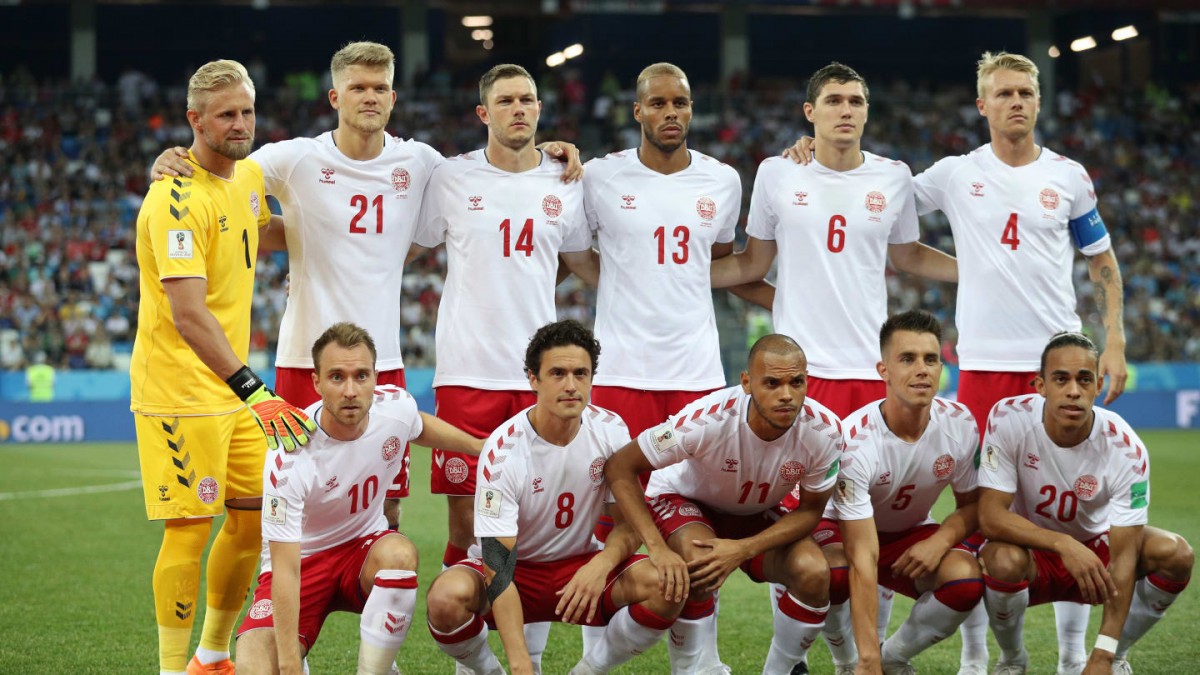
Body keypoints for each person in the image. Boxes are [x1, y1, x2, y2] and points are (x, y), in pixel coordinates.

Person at [150, 42, 582, 530]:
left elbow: (493, 170)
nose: (369, 97)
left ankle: (383, 580)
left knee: (386, 507)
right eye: (357, 88)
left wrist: (549, 152)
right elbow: (220, 173)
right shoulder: (293, 158)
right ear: (335, 97)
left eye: (380, 88)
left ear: (393, 98)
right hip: (304, 360)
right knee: (291, 505)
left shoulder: (422, 163)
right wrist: (172, 160)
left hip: (383, 364)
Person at [713, 62, 957, 672]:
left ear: (867, 111)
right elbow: (752, 264)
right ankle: (800, 659)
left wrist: (985, 269)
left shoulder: (893, 177)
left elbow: (907, 255)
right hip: (801, 376)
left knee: (867, 524)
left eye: (855, 101)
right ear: (810, 111)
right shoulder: (777, 173)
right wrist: (666, 271)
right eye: (833, 100)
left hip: (872, 376)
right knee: (799, 525)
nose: (845, 109)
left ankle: (864, 656)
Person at [569, 61, 774, 671]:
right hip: (622, 371)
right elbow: (579, 254)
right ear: (637, 110)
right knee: (608, 511)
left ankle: (696, 658)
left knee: (695, 514)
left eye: (680, 103)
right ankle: (595, 643)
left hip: (695, 374)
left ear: (691, 108)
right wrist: (624, 285)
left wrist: (790, 298)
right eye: (657, 103)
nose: (670, 113)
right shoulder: (599, 177)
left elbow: (717, 264)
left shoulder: (722, 180)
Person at [130, 60, 315, 675]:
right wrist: (254, 390)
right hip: (180, 389)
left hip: (233, 390)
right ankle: (170, 669)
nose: (240, 124)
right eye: (226, 114)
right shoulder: (173, 198)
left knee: (253, 519)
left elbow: (260, 231)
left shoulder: (249, 178)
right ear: (195, 121)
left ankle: (211, 657)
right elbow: (188, 314)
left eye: (247, 112)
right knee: (189, 528)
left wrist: (346, 236)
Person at [412, 63, 594, 579]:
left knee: (537, 514)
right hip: (467, 371)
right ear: (483, 113)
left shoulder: (566, 179)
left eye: (526, 99)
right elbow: (408, 247)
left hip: (537, 375)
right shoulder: (451, 177)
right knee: (465, 523)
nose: (518, 109)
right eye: (506, 100)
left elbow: (576, 262)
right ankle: (462, 627)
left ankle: (525, 625)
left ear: (540, 108)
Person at [425, 320, 683, 675]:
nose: (571, 385)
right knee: (444, 599)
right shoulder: (503, 452)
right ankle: (491, 672)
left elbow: (628, 524)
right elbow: (498, 570)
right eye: (558, 373)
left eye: (581, 374)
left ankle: (589, 671)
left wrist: (602, 563)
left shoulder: (611, 430)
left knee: (667, 587)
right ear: (533, 379)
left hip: (579, 566)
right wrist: (521, 666)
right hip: (515, 574)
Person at [235, 322, 484, 675]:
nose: (351, 391)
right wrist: (289, 664)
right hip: (302, 563)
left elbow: (418, 425)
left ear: (375, 378)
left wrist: (477, 446)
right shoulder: (288, 456)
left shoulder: (394, 406)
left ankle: (376, 671)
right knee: (255, 669)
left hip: (362, 552)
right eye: (337, 377)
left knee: (398, 554)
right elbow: (286, 569)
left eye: (361, 376)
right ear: (316, 382)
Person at [605, 333, 844, 674]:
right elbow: (620, 466)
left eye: (796, 382)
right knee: (699, 566)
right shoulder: (705, 419)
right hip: (686, 499)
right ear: (746, 382)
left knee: (814, 572)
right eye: (772, 383)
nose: (786, 395)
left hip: (756, 512)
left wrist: (743, 549)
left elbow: (810, 511)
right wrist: (656, 547)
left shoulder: (826, 432)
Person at [977, 332, 1192, 675]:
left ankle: (1114, 657)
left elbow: (1124, 556)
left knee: (1176, 554)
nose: (1073, 391)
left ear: (1098, 385)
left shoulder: (1126, 449)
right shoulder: (1008, 418)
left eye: (1084, 379)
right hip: (1031, 551)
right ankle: (1012, 658)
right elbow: (989, 516)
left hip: (1097, 552)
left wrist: (1104, 653)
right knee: (1000, 560)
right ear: (1041, 385)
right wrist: (1064, 544)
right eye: (1061, 379)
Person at [812, 310, 983, 674]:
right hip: (842, 531)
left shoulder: (961, 423)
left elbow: (972, 506)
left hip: (907, 532)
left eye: (930, 359)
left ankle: (893, 658)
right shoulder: (855, 441)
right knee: (835, 574)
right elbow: (862, 555)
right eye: (907, 359)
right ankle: (848, 662)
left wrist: (940, 541)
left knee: (966, 579)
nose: (922, 369)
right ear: (884, 370)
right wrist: (866, 659)